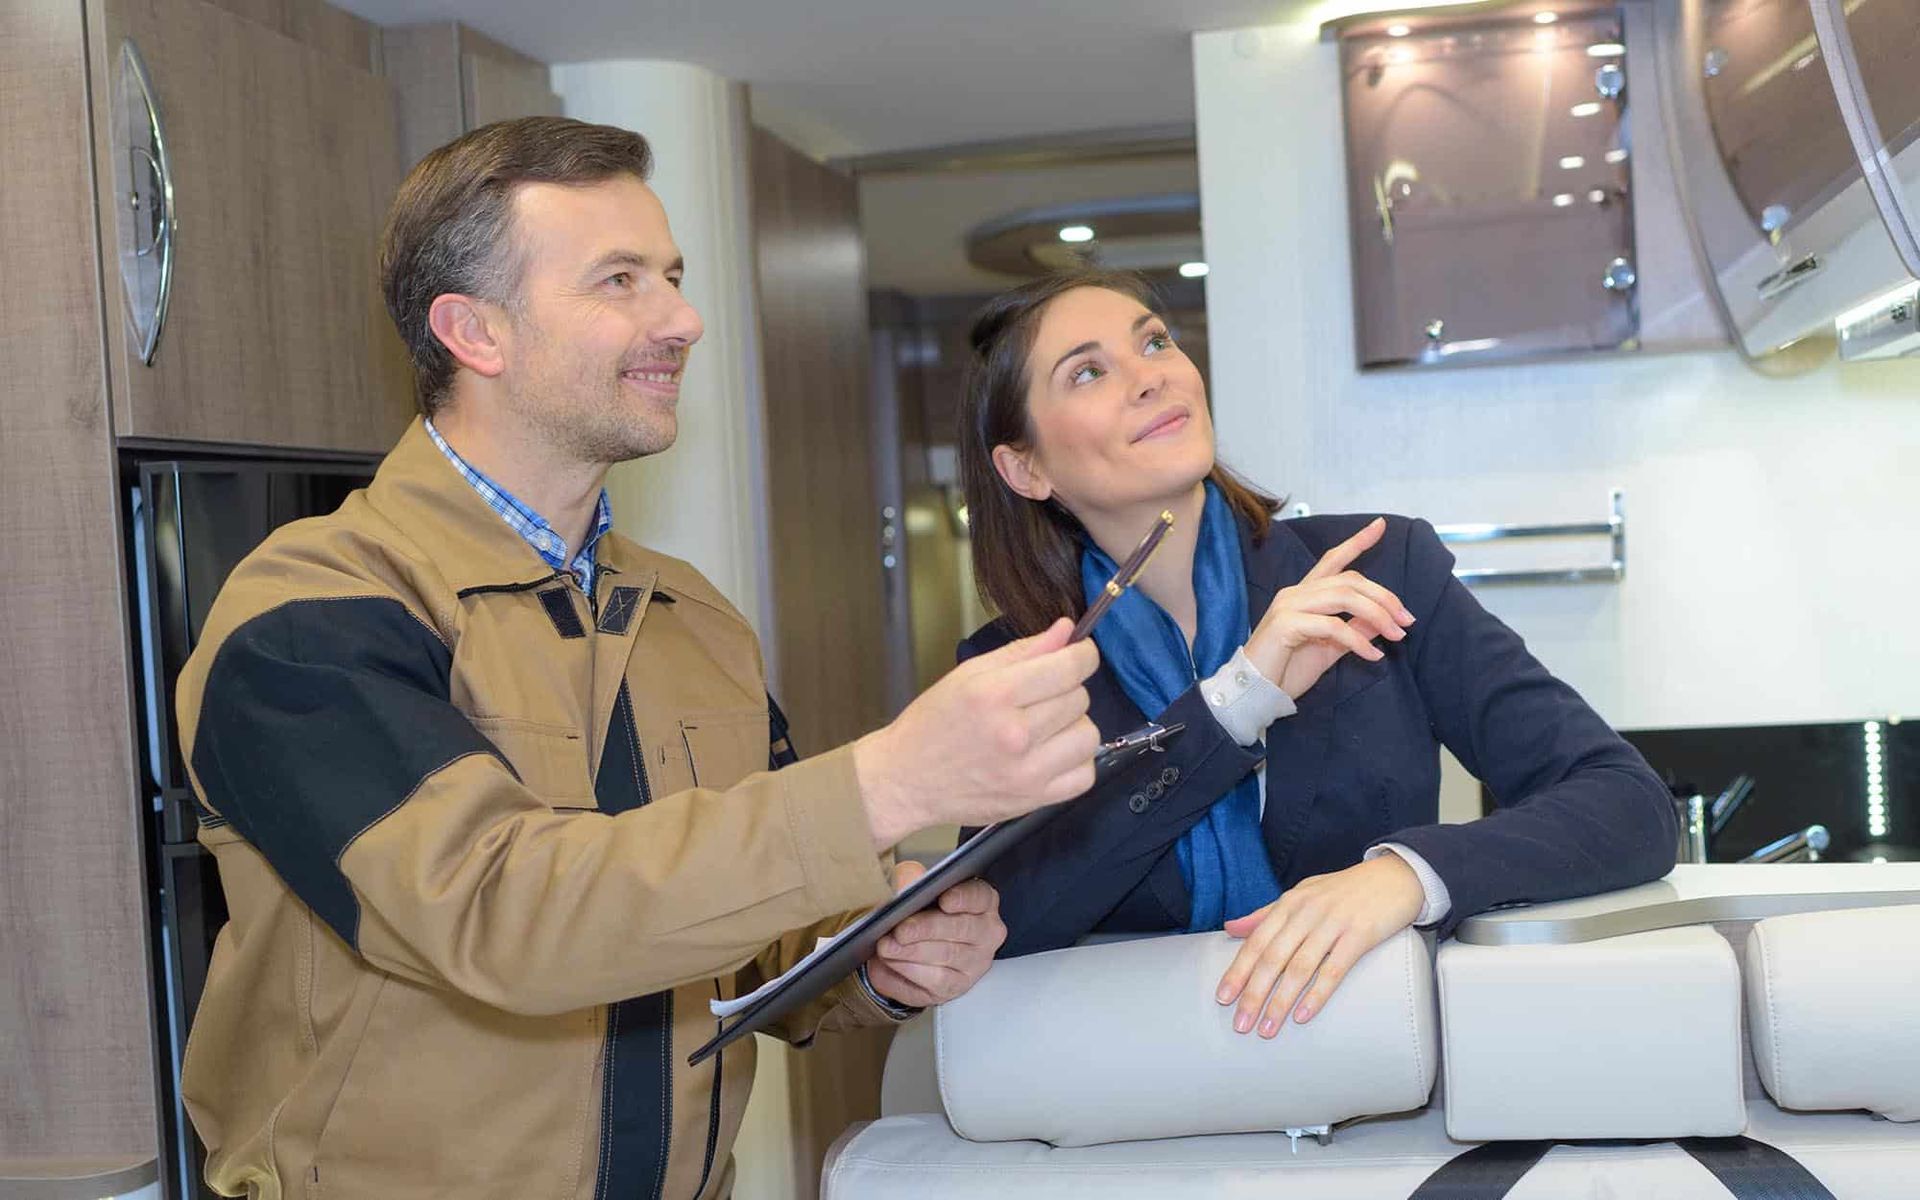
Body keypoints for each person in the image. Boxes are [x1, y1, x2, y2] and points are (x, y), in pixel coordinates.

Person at [173, 117, 1100, 1200]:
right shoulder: (311, 613)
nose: (684, 320)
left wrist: (876, 959)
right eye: (620, 281)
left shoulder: (694, 619)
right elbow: (502, 915)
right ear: (475, 331)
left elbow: (756, 949)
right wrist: (885, 783)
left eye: (672, 275)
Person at [955, 269, 1676, 1040]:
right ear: (1025, 469)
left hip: (1378, 1083)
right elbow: (1001, 921)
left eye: (1155, 342)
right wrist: (1236, 702)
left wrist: (1406, 876)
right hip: (1147, 1104)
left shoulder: (1380, 567)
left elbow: (1629, 806)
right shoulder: (1014, 674)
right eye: (1090, 372)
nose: (1150, 377)